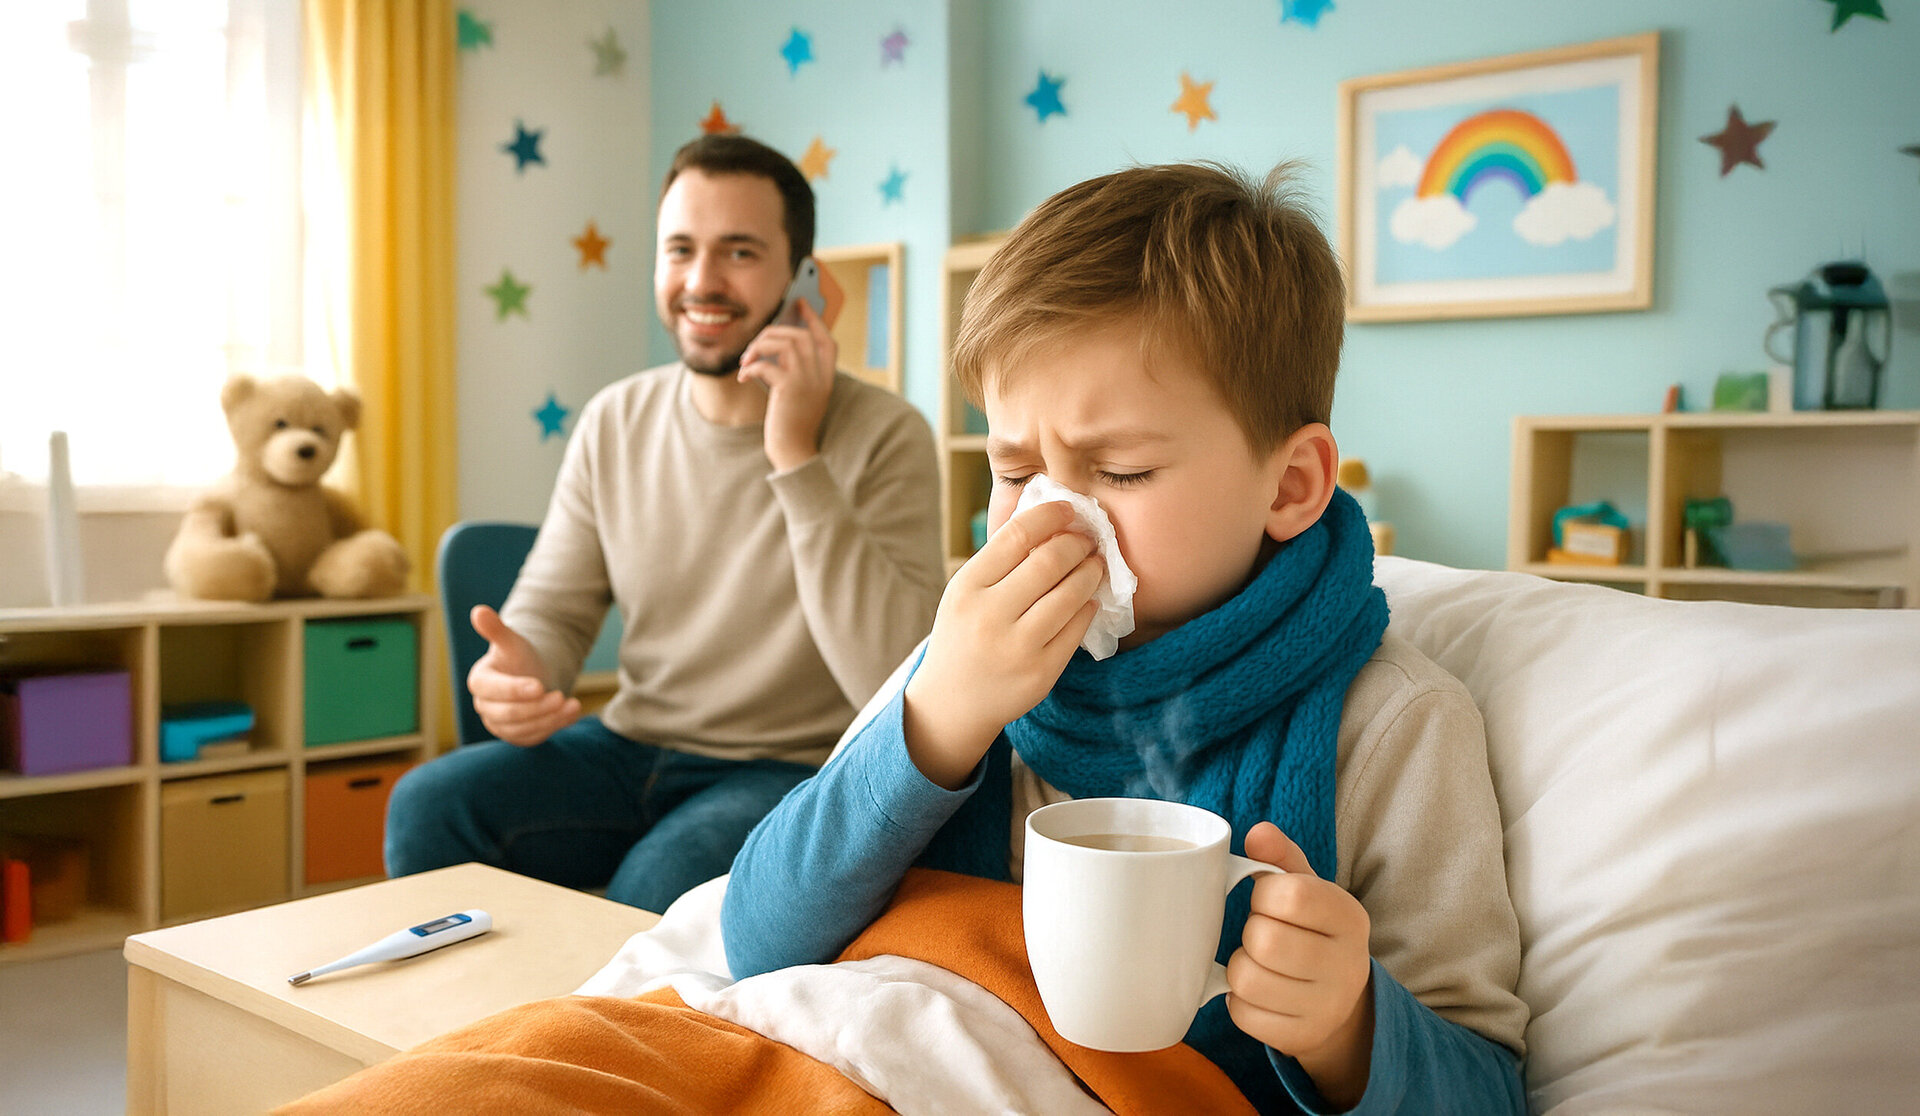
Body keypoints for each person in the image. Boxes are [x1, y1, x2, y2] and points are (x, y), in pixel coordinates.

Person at [722, 162, 1529, 1112]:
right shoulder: (972, 662)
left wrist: (1348, 1028)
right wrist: (940, 715)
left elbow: (1486, 1089)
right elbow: (758, 937)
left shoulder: (1392, 724)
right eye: (1017, 470)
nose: (1053, 522)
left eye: (1123, 472)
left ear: (1291, 486)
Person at [385, 135, 944, 915]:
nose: (702, 282)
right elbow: (553, 609)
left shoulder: (888, 433)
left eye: (740, 252)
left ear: (803, 280)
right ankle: (459, 1034)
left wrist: (793, 452)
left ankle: (576, 1039)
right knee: (428, 805)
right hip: (629, 747)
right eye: (680, 250)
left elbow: (890, 682)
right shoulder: (616, 418)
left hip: (789, 769)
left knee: (655, 884)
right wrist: (519, 674)